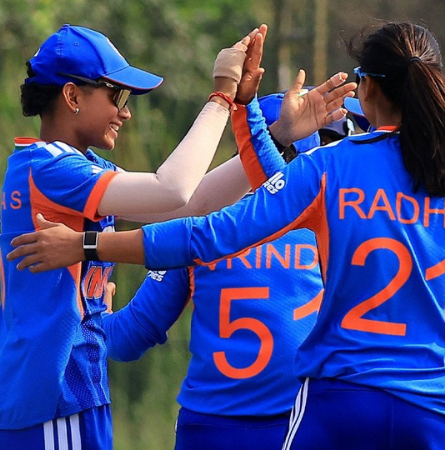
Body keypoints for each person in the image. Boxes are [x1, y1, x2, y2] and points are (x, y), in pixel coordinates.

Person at [9, 21, 445, 449]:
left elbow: (203, 226)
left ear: (369, 88)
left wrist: (240, 109)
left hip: (327, 411)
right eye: (117, 94)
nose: (125, 109)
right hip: (439, 412)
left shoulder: (328, 174)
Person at [0, 22, 268, 449]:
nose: (125, 113)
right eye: (117, 96)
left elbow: (191, 203)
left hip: (74, 389)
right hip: (54, 394)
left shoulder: (76, 166)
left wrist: (274, 138)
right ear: (72, 96)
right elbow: (172, 189)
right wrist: (220, 98)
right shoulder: (50, 167)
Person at [102, 93, 324, 450]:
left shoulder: (200, 231)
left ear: (241, 154)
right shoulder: (328, 229)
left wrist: (93, 312)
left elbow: (124, 340)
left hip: (210, 428)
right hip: (303, 422)